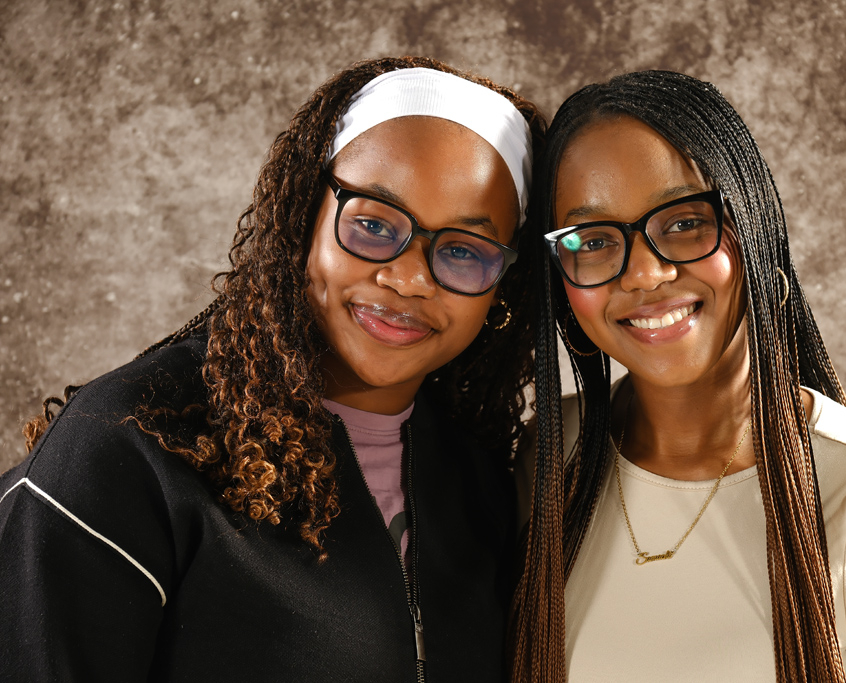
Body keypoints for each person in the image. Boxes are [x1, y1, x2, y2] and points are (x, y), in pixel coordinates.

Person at [0, 56, 544, 682]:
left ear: (503, 285)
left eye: (464, 251)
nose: (409, 278)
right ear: (303, 215)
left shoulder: (484, 485)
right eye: (372, 223)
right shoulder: (126, 452)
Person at [510, 70, 846, 682]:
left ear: (754, 226)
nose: (645, 274)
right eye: (594, 240)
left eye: (684, 222)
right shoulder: (550, 459)